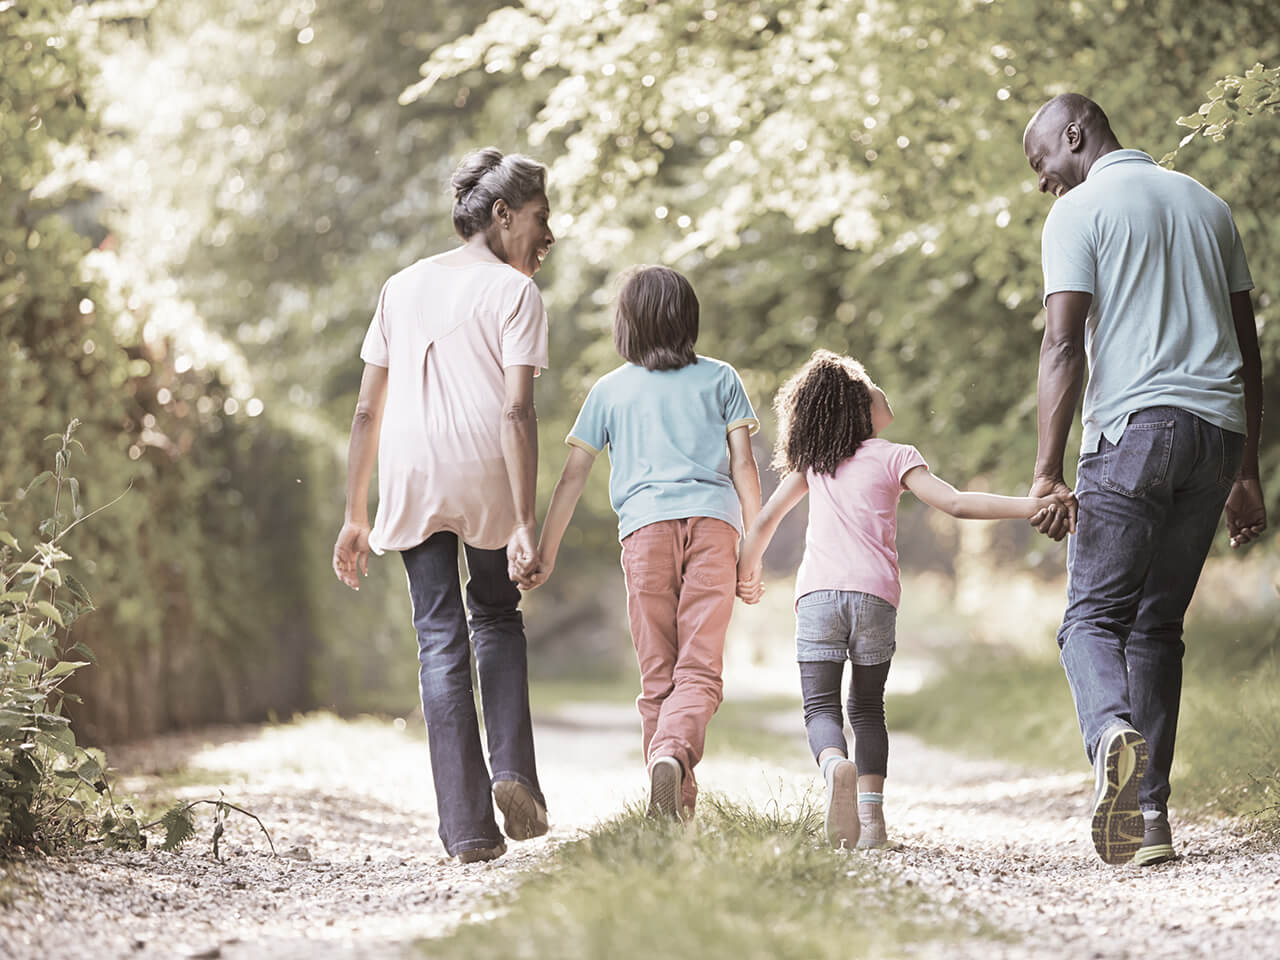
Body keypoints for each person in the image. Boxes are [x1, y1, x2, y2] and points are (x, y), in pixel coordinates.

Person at [1022, 93, 1266, 866]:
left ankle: (1109, 736)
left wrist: (1044, 470)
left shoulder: (1078, 213)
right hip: (1216, 439)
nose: (1041, 182)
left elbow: (1064, 348)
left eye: (1042, 162)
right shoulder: (1207, 203)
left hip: (1133, 433)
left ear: (1074, 134)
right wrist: (1248, 470)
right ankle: (1148, 820)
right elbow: (1248, 347)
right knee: (1157, 625)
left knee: (1089, 619)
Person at [736, 350, 1070, 849]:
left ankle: (833, 767)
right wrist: (1033, 506)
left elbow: (763, 522)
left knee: (820, 707)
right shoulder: (897, 456)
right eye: (869, 384)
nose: (879, 389)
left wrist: (748, 570)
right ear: (857, 405)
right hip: (875, 597)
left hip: (819, 597)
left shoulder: (814, 466)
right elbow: (956, 503)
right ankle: (872, 825)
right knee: (868, 708)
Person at [331, 147, 557, 864]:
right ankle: (514, 771)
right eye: (539, 221)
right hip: (481, 467)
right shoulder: (515, 295)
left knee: (438, 636)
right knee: (495, 612)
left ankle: (465, 830)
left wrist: (355, 513)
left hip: (409, 470)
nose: (547, 239)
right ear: (501, 214)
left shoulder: (401, 286)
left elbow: (367, 411)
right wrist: (525, 521)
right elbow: (517, 413)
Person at [529, 265, 762, 819]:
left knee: (660, 673)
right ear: (689, 319)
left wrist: (546, 552)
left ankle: (670, 802)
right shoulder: (721, 378)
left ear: (626, 324)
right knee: (700, 671)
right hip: (713, 527)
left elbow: (572, 477)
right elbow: (745, 466)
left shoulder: (609, 390)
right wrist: (753, 550)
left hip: (644, 534)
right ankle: (672, 768)